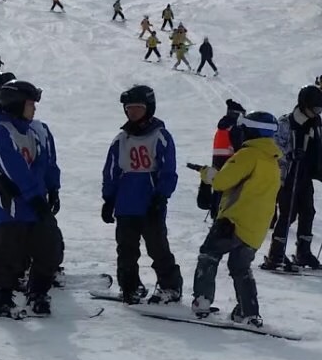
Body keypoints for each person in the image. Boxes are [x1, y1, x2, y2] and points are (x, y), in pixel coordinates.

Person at [190, 112, 282, 328]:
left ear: (248, 131)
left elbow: (222, 182)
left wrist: (207, 174)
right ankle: (248, 312)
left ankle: (202, 301)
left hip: (233, 221)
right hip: (256, 228)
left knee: (209, 255)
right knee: (240, 267)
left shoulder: (248, 154)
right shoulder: (273, 160)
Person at [0, 80, 61, 316]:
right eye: (30, 104)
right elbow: (13, 168)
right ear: (17, 104)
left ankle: (37, 292)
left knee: (51, 248)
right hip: (11, 208)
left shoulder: (31, 132)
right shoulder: (0, 132)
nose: (34, 108)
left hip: (35, 203)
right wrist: (33, 195)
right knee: (10, 254)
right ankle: (3, 300)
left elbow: (44, 163)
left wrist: (52, 188)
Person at [101, 85, 182, 305]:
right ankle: (130, 286)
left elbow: (168, 170)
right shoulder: (121, 139)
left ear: (149, 108)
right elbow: (111, 171)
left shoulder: (160, 136)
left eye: (138, 108)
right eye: (129, 109)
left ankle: (170, 286)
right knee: (126, 250)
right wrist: (108, 199)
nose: (133, 112)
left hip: (149, 204)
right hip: (126, 204)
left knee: (157, 248)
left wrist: (161, 196)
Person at [262, 85, 322, 271]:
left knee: (308, 213)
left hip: (305, 176)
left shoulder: (315, 123)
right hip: (288, 176)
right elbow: (274, 147)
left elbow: (321, 146)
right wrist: (290, 155)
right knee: (287, 214)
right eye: (316, 109)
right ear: (304, 105)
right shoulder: (286, 123)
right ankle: (275, 254)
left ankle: (303, 253)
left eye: (321, 109)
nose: (318, 113)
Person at [198, 98, 245, 217]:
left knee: (218, 192)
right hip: (230, 164)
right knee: (227, 197)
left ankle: (216, 216)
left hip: (217, 164)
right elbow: (241, 148)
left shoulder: (221, 128)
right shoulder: (234, 129)